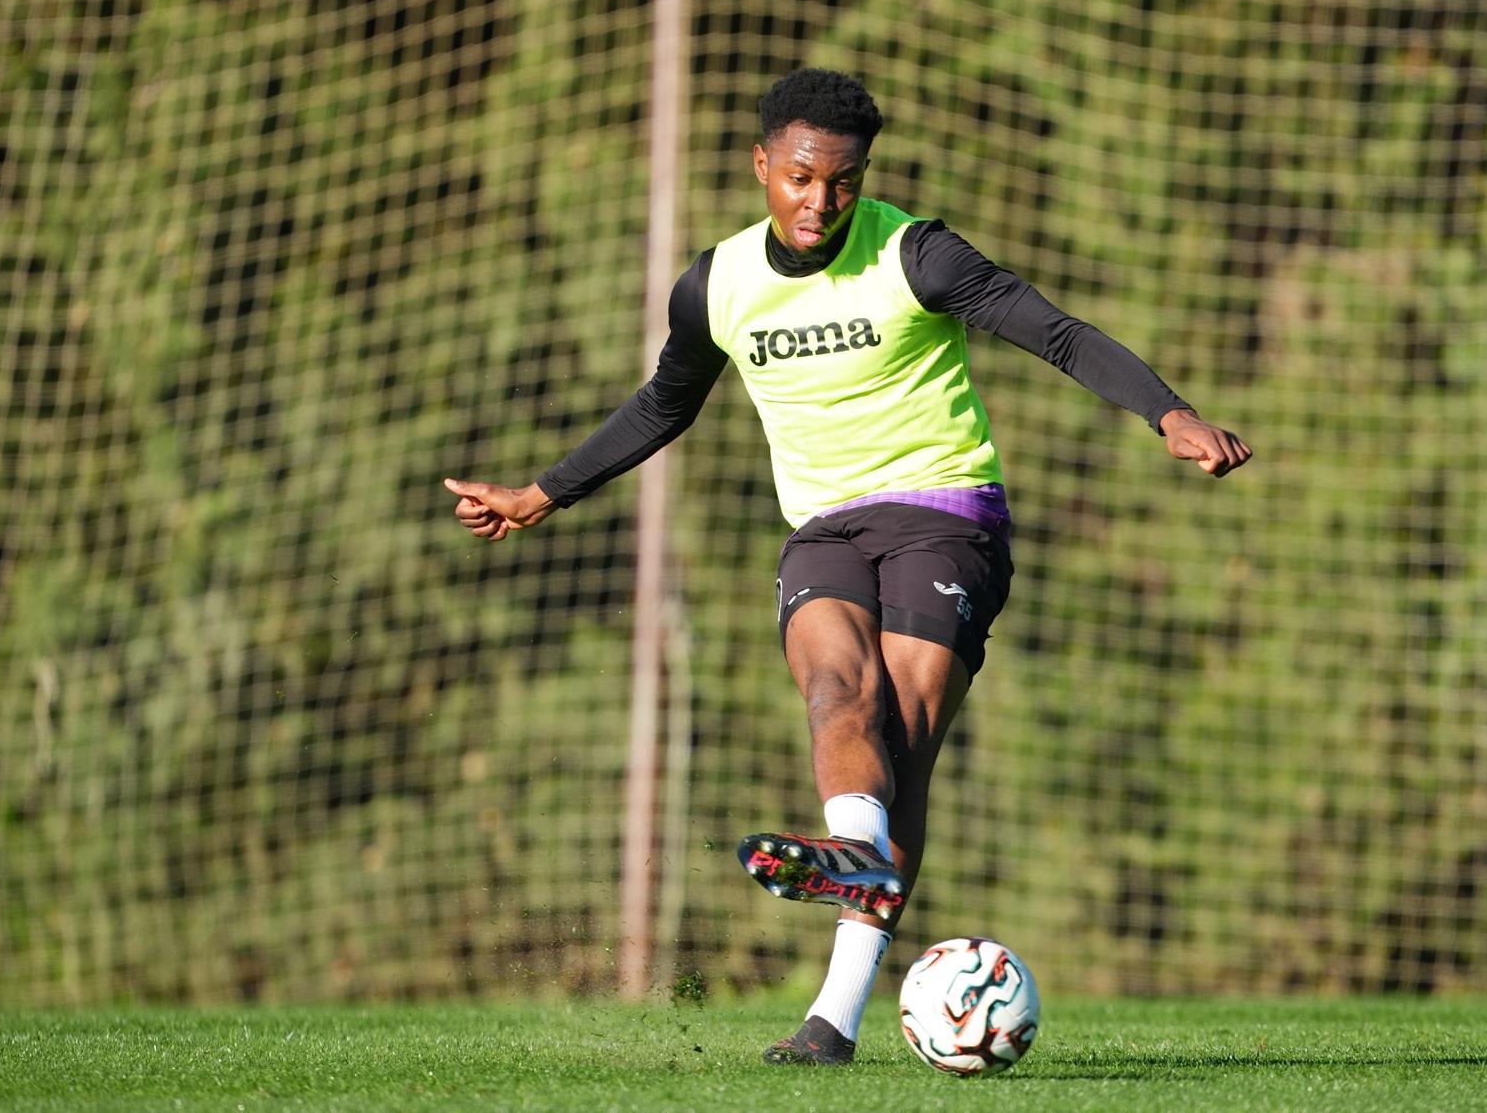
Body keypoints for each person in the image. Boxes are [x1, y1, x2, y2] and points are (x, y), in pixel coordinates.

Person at [444, 68, 1250, 1064]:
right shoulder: (716, 287)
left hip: (945, 514)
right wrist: (542, 493)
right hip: (823, 529)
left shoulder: (918, 255)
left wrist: (1168, 412)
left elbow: (1056, 331)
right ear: (761, 169)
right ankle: (855, 872)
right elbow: (665, 403)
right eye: (800, 177)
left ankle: (832, 1012)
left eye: (844, 182)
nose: (821, 200)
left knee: (902, 734)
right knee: (836, 693)